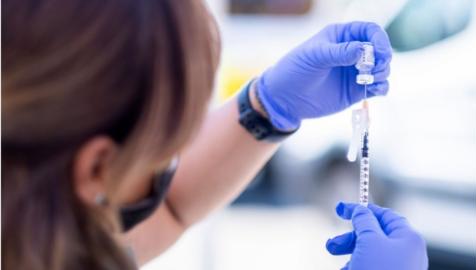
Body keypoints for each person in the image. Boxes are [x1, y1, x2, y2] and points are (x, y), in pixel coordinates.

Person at [2, 0, 428, 269]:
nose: (176, 165)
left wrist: (267, 108)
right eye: (170, 148)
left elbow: (171, 207)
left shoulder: (38, 232)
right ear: (96, 167)